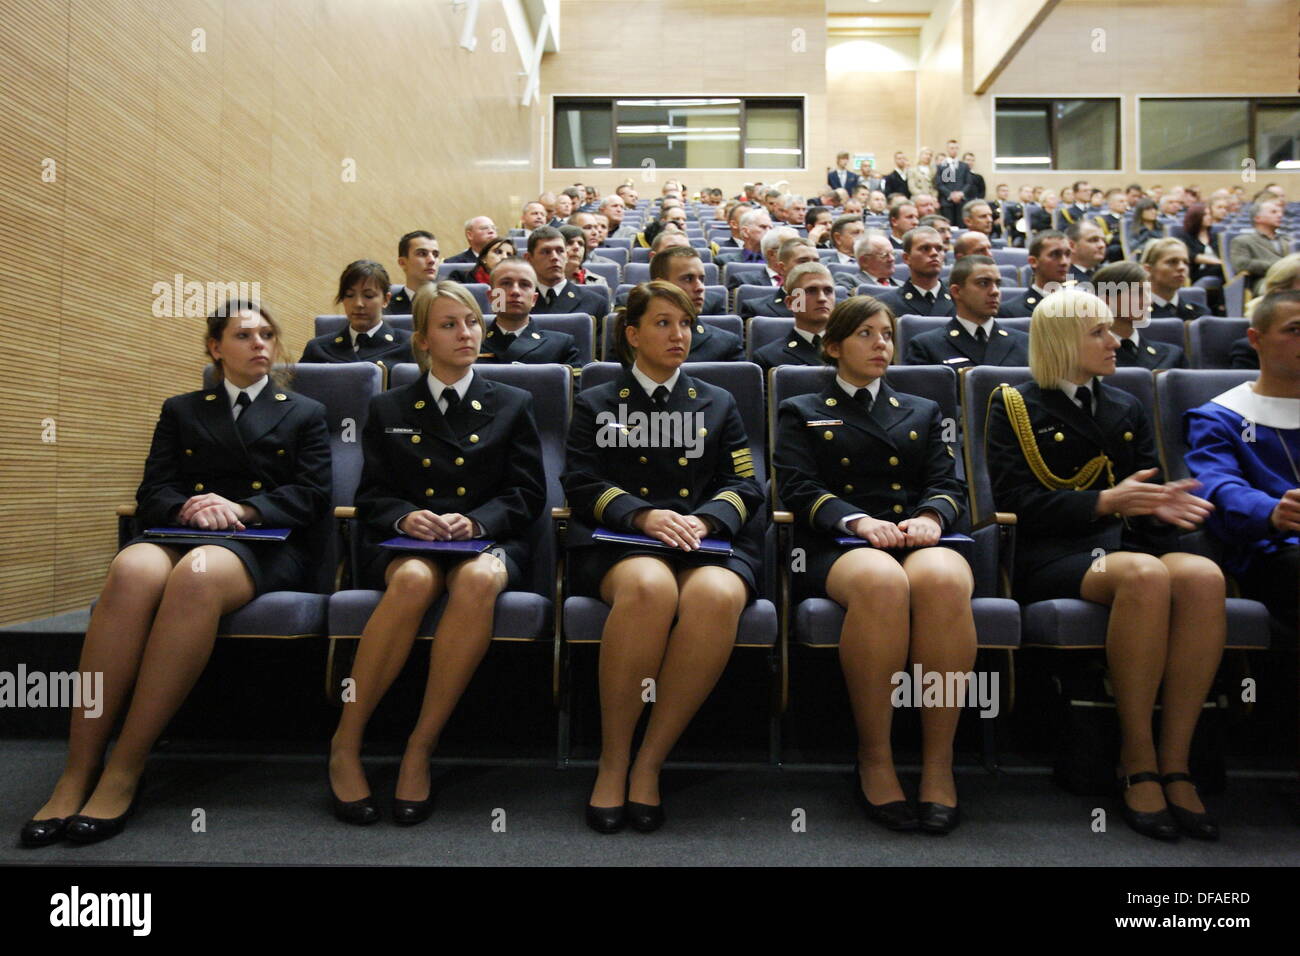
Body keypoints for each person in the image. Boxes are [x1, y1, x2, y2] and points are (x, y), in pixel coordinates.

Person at [19, 301, 331, 847]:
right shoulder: (183, 408)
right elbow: (153, 492)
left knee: (198, 574)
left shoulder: (303, 411)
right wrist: (191, 506)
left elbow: (311, 496)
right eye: (243, 335)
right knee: (130, 569)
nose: (260, 344)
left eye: (266, 334)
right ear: (215, 349)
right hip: (184, 531)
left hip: (264, 544)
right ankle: (76, 769)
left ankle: (125, 767)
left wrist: (243, 509)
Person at [986, 287, 1225, 841]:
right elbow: (1014, 502)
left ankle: (1177, 759)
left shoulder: (1126, 404)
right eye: (1098, 332)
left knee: (1204, 577)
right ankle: (1136, 757)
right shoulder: (1015, 403)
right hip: (1055, 554)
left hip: (1126, 548)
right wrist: (1103, 501)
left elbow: (1144, 504)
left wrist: (1163, 509)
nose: (1115, 340)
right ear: (1063, 339)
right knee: (1145, 574)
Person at [327, 281, 545, 827]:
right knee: (413, 583)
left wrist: (477, 520)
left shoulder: (512, 403)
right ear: (422, 339)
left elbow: (527, 494)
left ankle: (420, 746)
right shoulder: (389, 406)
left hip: (489, 538)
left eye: (471, 321)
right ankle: (345, 744)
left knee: (475, 580)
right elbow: (372, 495)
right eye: (449, 324)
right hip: (412, 543)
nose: (466, 333)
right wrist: (407, 517)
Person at [562, 281, 764, 834]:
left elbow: (745, 486)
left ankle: (650, 760)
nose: (679, 334)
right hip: (623, 542)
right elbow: (580, 482)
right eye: (663, 323)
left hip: (706, 543)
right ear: (631, 334)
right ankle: (613, 759)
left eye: (686, 324)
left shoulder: (717, 402)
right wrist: (642, 515)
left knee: (716, 594)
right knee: (651, 587)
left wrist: (705, 518)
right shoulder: (598, 401)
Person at [773, 294, 974, 833]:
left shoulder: (923, 409)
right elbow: (799, 489)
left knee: (946, 580)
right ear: (834, 346)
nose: (880, 343)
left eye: (886, 334)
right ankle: (876, 757)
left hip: (916, 537)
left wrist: (933, 516)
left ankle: (938, 764)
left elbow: (949, 484)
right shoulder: (803, 410)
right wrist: (858, 522)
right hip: (836, 544)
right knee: (883, 583)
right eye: (865, 334)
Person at [1185, 290, 1300, 631]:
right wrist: (1272, 511)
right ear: (1255, 339)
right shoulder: (1222, 417)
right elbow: (1218, 484)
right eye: (1294, 330)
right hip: (1274, 549)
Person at [903, 255, 1028, 367]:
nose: (995, 291)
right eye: (984, 283)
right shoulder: (927, 346)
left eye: (998, 284)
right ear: (957, 291)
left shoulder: (1025, 343)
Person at [301, 260, 415, 368]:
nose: (358, 304)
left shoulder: (409, 345)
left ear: (386, 300)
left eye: (368, 296)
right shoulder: (318, 348)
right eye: (350, 295)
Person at [482, 260, 582, 367]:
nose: (515, 291)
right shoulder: (472, 343)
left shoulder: (561, 345)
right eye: (506, 283)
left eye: (524, 285)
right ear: (491, 297)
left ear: (534, 299)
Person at [649, 246, 741, 360]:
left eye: (701, 279)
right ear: (660, 285)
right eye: (688, 279)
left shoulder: (726, 344)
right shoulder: (631, 340)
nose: (700, 287)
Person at [1093, 261, 1186, 370]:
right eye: (1138, 293)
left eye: (1148, 293)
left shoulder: (1172, 355)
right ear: (1106, 300)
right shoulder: (1089, 356)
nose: (1149, 301)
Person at [751, 262, 836, 371]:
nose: (822, 298)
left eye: (828, 291)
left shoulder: (851, 349)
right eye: (811, 291)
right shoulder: (769, 357)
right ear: (791, 303)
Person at [523, 226, 608, 317]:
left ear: (566, 256)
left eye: (560, 251)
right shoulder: (516, 301)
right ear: (529, 259)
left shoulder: (595, 303)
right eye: (546, 252)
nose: (555, 257)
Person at [874, 226, 955, 318]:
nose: (934, 253)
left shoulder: (961, 301)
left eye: (939, 249)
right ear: (906, 258)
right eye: (925, 248)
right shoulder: (885, 304)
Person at [738, 235, 819, 316]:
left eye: (816, 261)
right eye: (803, 261)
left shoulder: (829, 306)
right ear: (782, 268)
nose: (812, 266)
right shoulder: (756, 309)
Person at [1000, 230, 1073, 317]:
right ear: (1033, 261)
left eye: (1068, 255)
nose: (1064, 262)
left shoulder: (1081, 306)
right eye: (1055, 255)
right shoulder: (1010, 311)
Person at [1231, 199, 1290, 295]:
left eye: (1280, 212)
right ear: (1258, 218)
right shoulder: (1243, 241)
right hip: (1266, 281)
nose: (1280, 215)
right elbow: (1242, 265)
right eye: (1273, 212)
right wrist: (1280, 266)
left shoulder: (1288, 240)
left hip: (1293, 279)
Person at [1143, 238, 1207, 321]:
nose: (1182, 267)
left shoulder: (1199, 314)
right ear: (1148, 269)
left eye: (1186, 262)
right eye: (1172, 262)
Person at [388, 230, 441, 314]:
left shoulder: (452, 303)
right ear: (403, 263)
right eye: (422, 254)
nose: (432, 260)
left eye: (435, 255)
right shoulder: (387, 308)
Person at [834, 229, 899, 294]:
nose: (892, 259)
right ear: (864, 261)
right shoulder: (848, 281)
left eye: (893, 254)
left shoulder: (901, 284)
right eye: (884, 255)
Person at [934, 141, 974, 224]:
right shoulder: (941, 166)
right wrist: (950, 194)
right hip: (946, 201)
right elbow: (939, 183)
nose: (954, 150)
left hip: (961, 202)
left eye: (956, 148)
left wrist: (961, 193)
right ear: (947, 149)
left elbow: (969, 183)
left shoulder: (964, 166)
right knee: (948, 224)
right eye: (952, 148)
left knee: (961, 225)